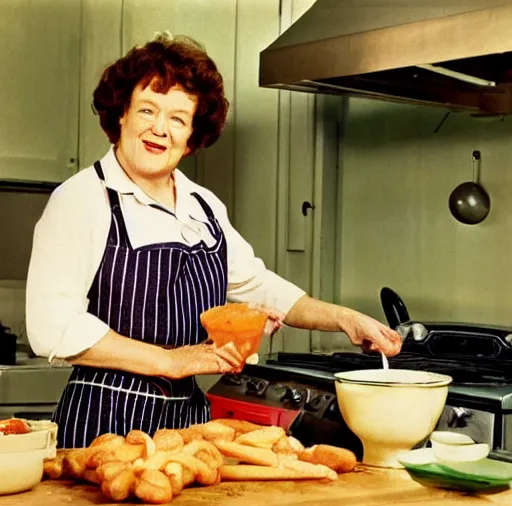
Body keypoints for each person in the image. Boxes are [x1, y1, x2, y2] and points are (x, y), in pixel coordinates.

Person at [26, 33, 402, 449]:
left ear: (192, 136)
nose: (159, 129)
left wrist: (344, 318)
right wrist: (171, 360)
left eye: (177, 119)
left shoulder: (202, 205)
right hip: (104, 426)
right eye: (147, 110)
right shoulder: (82, 199)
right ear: (121, 114)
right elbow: (52, 327)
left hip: (188, 427)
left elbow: (256, 285)